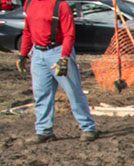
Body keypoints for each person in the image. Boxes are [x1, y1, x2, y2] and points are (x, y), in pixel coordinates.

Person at [17, 0, 96, 144]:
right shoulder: (29, 3)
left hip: (58, 51)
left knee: (73, 91)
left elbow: (69, 34)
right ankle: (43, 131)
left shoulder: (60, 5)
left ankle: (88, 127)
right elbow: (27, 31)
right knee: (41, 94)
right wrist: (23, 54)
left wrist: (64, 57)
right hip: (38, 53)